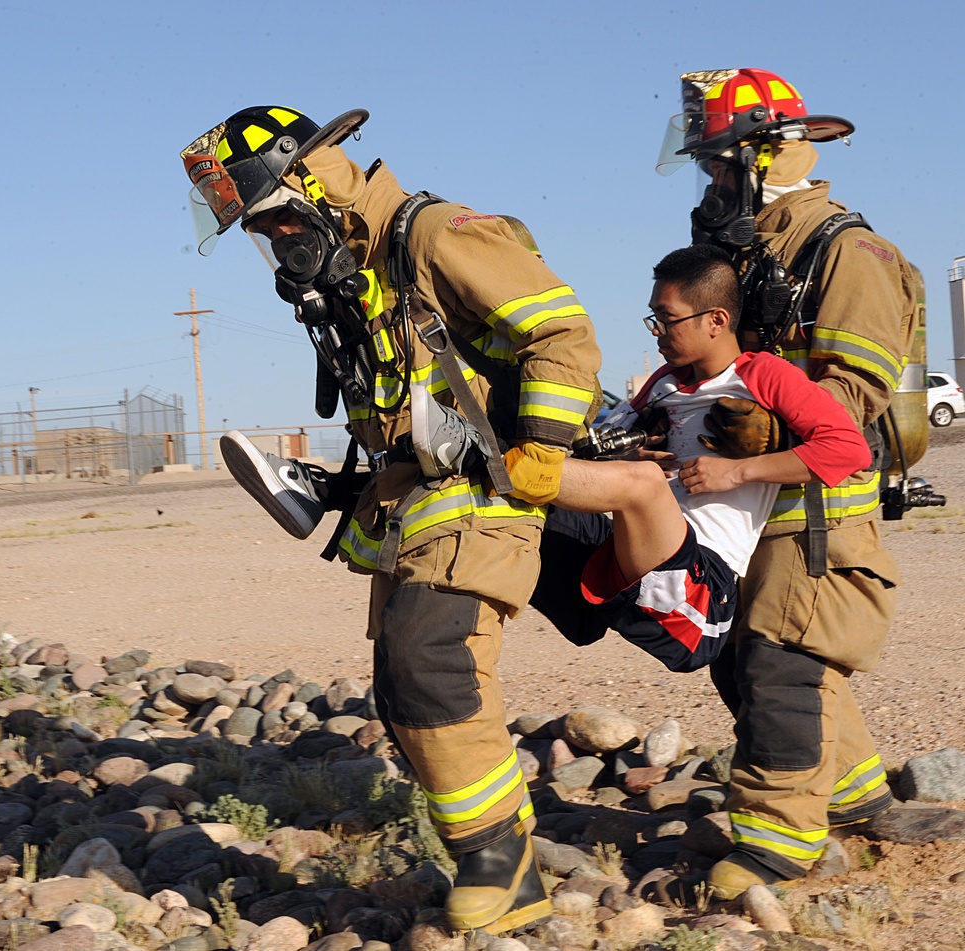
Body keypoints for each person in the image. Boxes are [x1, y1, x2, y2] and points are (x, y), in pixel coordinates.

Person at [179, 105, 601, 933]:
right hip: (414, 500)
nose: (279, 245)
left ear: (313, 177)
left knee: (427, 656)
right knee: (401, 685)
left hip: (492, 483)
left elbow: (562, 332)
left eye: (276, 221)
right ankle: (502, 841)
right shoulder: (353, 275)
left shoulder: (437, 234)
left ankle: (500, 868)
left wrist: (542, 445)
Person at [652, 68, 918, 900]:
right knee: (739, 659)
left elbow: (856, 393)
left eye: (722, 166)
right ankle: (853, 794)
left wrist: (762, 427)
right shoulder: (751, 250)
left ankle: (777, 845)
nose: (713, 183)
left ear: (768, 155)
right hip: (748, 504)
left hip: (814, 511)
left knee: (779, 665)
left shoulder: (850, 252)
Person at [533, 244, 869, 682]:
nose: (657, 331)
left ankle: (509, 467)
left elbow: (848, 449)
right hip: (629, 549)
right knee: (531, 512)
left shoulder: (763, 374)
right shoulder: (662, 382)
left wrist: (737, 471)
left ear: (716, 320)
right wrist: (623, 452)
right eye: (653, 318)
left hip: (701, 586)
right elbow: (598, 443)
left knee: (642, 483)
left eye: (667, 318)